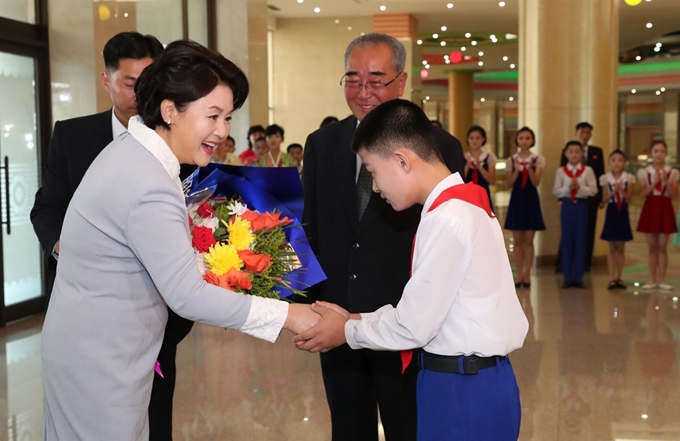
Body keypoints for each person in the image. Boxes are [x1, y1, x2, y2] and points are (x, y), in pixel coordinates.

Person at [40, 40, 319, 440]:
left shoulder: (134, 152)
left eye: (228, 117)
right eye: (213, 116)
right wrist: (291, 316)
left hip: (94, 350)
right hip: (100, 363)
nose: (223, 131)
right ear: (170, 110)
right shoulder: (147, 181)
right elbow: (187, 295)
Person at [295, 99, 528, 441]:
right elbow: (425, 311)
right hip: (464, 380)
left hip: (462, 389)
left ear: (402, 160)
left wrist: (344, 331)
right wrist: (352, 319)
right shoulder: (463, 202)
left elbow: (412, 326)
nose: (374, 187)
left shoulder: (448, 219)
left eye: (373, 171)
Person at [28, 31, 192, 441]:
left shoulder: (179, 142)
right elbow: (46, 207)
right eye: (131, 84)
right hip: (90, 314)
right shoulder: (72, 135)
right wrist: (65, 246)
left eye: (151, 81)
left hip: (157, 309)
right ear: (107, 81)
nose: (142, 94)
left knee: (155, 416)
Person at [301, 33, 465, 441]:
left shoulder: (438, 146)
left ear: (402, 82)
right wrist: (306, 304)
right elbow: (312, 227)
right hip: (337, 319)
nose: (363, 91)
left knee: (407, 426)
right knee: (348, 427)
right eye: (353, 79)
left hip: (405, 321)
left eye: (376, 79)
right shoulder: (322, 144)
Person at [557, 122, 605, 272]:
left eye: (588, 132)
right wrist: (561, 197)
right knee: (568, 232)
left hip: (589, 199)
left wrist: (601, 197)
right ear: (576, 133)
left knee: (588, 231)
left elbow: (600, 175)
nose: (585, 135)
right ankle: (563, 263)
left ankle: (585, 264)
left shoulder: (597, 151)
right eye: (582, 132)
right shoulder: (568, 151)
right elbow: (562, 175)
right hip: (569, 199)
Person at [504, 126, 546, 288]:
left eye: (528, 138)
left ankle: (527, 274)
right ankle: (518, 274)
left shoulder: (538, 160)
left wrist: (528, 170)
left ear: (532, 140)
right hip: (517, 200)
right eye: (521, 138)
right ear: (517, 140)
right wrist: (516, 169)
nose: (524, 141)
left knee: (529, 241)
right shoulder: (511, 160)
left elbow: (536, 182)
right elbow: (509, 183)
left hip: (531, 200)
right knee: (517, 240)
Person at [553, 140, 598, 289]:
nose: (574, 154)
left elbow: (594, 190)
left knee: (580, 240)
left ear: (582, 154)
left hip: (581, 206)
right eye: (571, 151)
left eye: (577, 151)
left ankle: (578, 277)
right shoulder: (561, 171)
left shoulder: (587, 170)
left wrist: (581, 188)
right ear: (566, 154)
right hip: (566, 206)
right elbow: (556, 190)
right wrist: (567, 188)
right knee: (567, 240)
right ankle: (567, 277)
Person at [636, 141, 679, 290]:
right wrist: (654, 182)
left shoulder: (672, 172)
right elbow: (642, 194)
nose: (659, 154)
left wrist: (666, 181)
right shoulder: (644, 172)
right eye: (656, 151)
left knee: (662, 246)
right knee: (652, 246)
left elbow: (674, 195)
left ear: (666, 154)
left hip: (665, 208)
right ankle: (652, 279)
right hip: (650, 207)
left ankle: (662, 279)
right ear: (651, 153)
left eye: (662, 151)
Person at [600, 149, 635, 290]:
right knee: (611, 246)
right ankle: (611, 277)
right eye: (614, 160)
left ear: (624, 163)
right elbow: (604, 199)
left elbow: (630, 198)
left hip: (623, 211)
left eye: (620, 160)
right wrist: (614, 191)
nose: (617, 163)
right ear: (610, 162)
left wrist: (622, 190)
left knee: (621, 246)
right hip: (612, 210)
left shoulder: (628, 178)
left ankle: (619, 276)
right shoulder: (606, 178)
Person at [463, 125, 496, 211]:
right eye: (472, 138)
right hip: (467, 195)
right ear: (468, 139)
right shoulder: (463, 157)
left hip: (483, 196)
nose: (474, 141)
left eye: (478, 138)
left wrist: (480, 167)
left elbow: (492, 181)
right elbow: (460, 179)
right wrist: (467, 165)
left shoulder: (489, 157)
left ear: (483, 139)